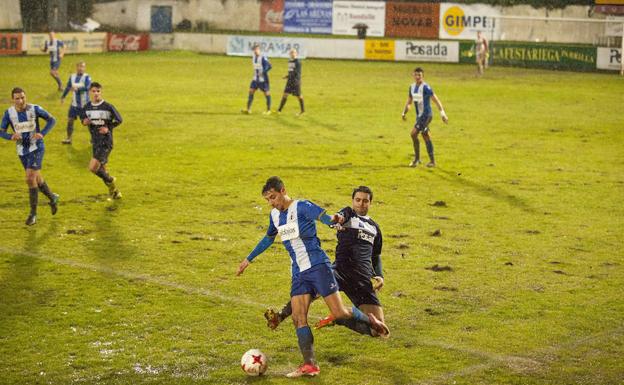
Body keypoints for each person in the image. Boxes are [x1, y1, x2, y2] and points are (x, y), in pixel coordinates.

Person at [236, 177, 389, 378]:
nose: (272, 202)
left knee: (340, 313)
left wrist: (334, 220)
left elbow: (323, 217)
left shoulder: (302, 206)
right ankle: (310, 365)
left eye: (273, 197)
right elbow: (268, 237)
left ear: (283, 190)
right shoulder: (274, 215)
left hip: (318, 266)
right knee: (299, 318)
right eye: (268, 200)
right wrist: (248, 259)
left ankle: (369, 320)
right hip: (298, 272)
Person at [264, 186, 387, 336]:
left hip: (362, 279)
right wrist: (336, 218)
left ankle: (338, 318)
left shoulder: (375, 227)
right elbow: (340, 216)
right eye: (358, 200)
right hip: (340, 271)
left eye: (365, 201)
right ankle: (280, 315)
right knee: (309, 289)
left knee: (378, 332)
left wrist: (379, 275)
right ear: (353, 201)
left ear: (370, 203)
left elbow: (376, 255)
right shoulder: (348, 214)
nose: (361, 204)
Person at [0, 87, 59, 225]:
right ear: (12, 99)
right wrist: (10, 136)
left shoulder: (35, 109)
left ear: (26, 97)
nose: (21, 101)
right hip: (22, 151)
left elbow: (52, 120)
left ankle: (33, 214)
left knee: (29, 178)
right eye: (17, 98)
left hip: (37, 147)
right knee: (37, 179)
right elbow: (1, 131)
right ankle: (52, 198)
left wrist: (42, 133)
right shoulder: (9, 113)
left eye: (23, 97)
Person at [79, 82, 123, 199]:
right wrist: (84, 122)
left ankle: (111, 180)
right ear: (89, 93)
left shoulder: (108, 107)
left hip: (106, 142)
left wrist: (108, 128)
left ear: (101, 92)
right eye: (93, 91)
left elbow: (119, 119)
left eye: (98, 91)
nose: (96, 94)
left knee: (93, 167)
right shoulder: (86, 107)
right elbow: (82, 119)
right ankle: (115, 192)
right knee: (102, 170)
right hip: (95, 142)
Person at [401, 67, 448, 168]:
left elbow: (436, 100)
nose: (418, 77)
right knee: (425, 135)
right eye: (416, 75)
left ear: (423, 76)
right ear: (413, 75)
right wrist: (404, 112)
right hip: (420, 117)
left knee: (413, 134)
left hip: (427, 115)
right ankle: (431, 161)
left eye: (420, 75)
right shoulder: (412, 87)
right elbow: (409, 102)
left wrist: (443, 114)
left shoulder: (426, 87)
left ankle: (417, 159)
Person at [60, 61, 91, 144]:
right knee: (70, 121)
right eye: (79, 66)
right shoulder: (72, 76)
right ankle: (69, 139)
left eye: (82, 67)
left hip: (84, 105)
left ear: (84, 68)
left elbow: (88, 87)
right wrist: (63, 96)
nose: (80, 68)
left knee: (88, 123)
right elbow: (68, 87)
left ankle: (94, 138)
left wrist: (78, 89)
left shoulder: (87, 77)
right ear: (76, 67)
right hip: (74, 105)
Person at [241, 44, 272, 115]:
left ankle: (268, 110)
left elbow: (270, 66)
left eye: (257, 49)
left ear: (259, 49)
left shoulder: (263, 57)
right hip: (255, 79)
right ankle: (248, 109)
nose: (255, 51)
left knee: (267, 93)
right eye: (254, 49)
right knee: (251, 91)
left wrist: (263, 72)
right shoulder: (253, 57)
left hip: (263, 80)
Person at [277, 48, 305, 116]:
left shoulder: (298, 62)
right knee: (285, 94)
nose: (292, 54)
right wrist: (287, 76)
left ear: (296, 54)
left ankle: (302, 110)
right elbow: (291, 72)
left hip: (295, 81)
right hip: (290, 81)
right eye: (291, 52)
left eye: (293, 52)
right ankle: (279, 110)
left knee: (299, 96)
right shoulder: (290, 61)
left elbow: (296, 73)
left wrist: (287, 76)